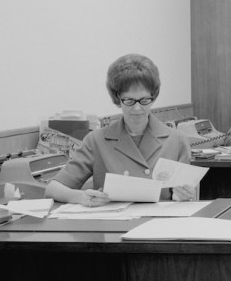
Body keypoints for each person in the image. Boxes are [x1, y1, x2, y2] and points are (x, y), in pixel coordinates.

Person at [45, 54, 195, 206]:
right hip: (113, 227)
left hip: (159, 225)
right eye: (129, 101)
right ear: (117, 99)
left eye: (144, 100)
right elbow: (53, 188)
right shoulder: (96, 140)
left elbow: (183, 196)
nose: (137, 109)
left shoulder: (176, 140)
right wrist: (79, 197)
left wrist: (183, 196)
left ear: (153, 96)